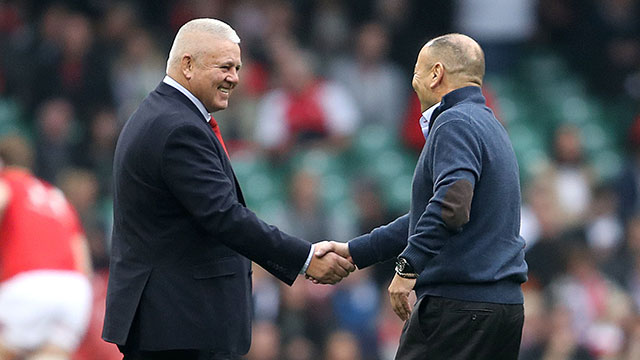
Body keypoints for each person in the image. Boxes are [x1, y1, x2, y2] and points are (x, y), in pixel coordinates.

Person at [102, 18, 354, 360]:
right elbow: (223, 215)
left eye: (237, 67)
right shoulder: (177, 128)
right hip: (180, 326)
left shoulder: (165, 115)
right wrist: (304, 258)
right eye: (224, 67)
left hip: (175, 323)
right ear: (187, 65)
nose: (234, 77)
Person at [314, 33, 528, 359]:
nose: (413, 81)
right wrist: (356, 251)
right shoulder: (489, 125)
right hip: (501, 309)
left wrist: (407, 268)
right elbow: (429, 213)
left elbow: (451, 206)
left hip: (459, 308)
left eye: (417, 70)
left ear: (436, 73)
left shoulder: (453, 122)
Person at [0, 134, 93, 360]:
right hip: (74, 291)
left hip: (28, 285)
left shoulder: (8, 183)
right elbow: (83, 259)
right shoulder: (55, 195)